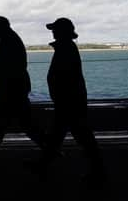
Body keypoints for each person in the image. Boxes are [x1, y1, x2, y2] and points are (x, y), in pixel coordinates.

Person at [43, 17, 105, 184]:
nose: (53, 32)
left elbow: (64, 77)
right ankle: (44, 164)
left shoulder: (65, 49)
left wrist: (59, 95)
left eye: (55, 29)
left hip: (68, 101)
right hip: (70, 100)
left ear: (62, 32)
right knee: (64, 134)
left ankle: (98, 171)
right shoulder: (66, 47)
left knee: (80, 135)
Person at [0, 16, 44, 158]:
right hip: (18, 88)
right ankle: (50, 149)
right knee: (24, 124)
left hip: (8, 90)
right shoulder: (15, 40)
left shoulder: (4, 43)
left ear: (2, 28)